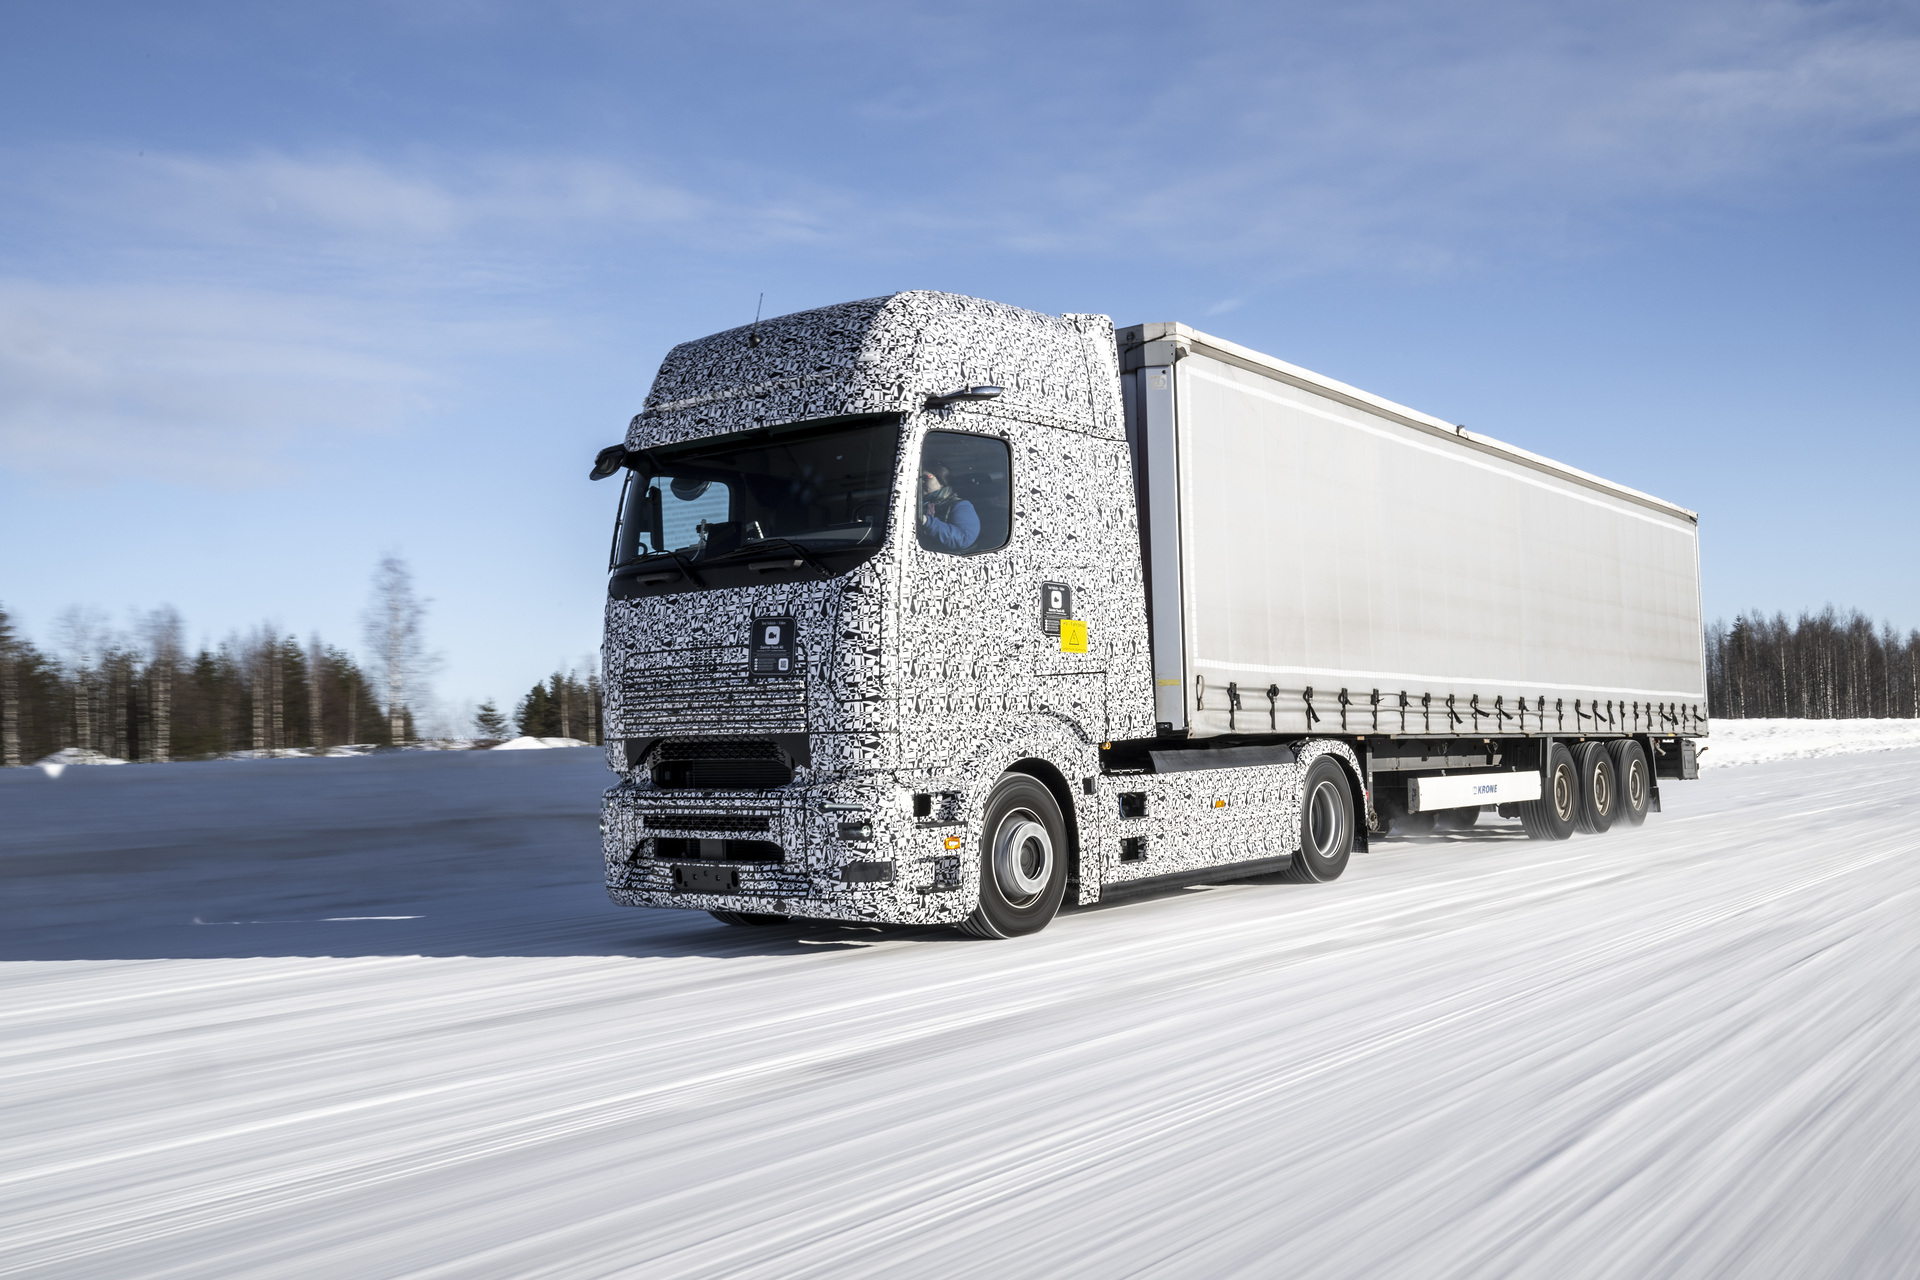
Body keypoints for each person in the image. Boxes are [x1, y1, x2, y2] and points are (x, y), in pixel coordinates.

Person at [919, 464, 980, 551]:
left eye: (925, 478)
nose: (921, 482)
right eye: (919, 479)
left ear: (942, 482)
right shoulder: (920, 504)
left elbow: (963, 539)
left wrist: (927, 522)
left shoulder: (961, 506)